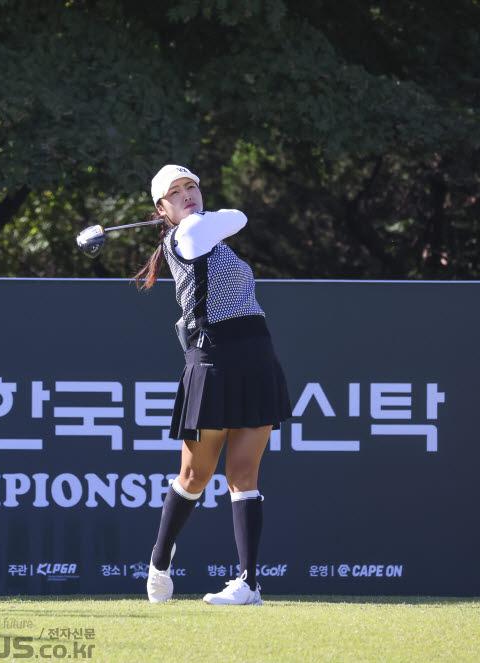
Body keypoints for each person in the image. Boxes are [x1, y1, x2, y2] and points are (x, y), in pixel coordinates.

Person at [133, 164, 292, 606]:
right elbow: (237, 216)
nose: (188, 195)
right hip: (214, 359)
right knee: (195, 476)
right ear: (161, 209)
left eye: (192, 187)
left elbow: (233, 220)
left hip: (257, 356)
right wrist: (191, 217)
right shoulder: (186, 236)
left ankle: (249, 584)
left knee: (243, 474)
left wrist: (192, 212)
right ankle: (160, 561)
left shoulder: (207, 234)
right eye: (176, 193)